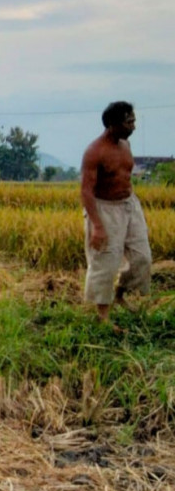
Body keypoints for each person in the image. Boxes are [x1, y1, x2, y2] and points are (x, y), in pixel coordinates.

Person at [81, 101, 151, 325]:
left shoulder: (125, 146)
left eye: (134, 121)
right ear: (113, 124)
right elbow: (86, 191)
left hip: (129, 204)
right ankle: (103, 316)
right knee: (105, 262)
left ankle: (120, 293)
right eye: (129, 122)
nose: (133, 127)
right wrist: (97, 226)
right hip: (104, 209)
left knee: (143, 258)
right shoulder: (95, 152)